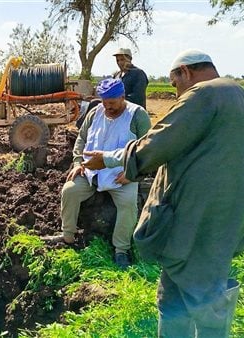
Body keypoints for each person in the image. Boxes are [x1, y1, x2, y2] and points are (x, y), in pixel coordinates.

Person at [82, 49, 244, 337]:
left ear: (186, 72)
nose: (176, 91)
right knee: (179, 288)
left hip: (195, 215)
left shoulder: (203, 95)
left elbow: (158, 143)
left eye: (174, 83)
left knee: (201, 297)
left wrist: (107, 159)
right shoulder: (237, 94)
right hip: (228, 215)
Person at [46, 78, 151, 269]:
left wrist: (133, 174)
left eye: (112, 103)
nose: (107, 107)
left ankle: (121, 250)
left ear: (122, 97)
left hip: (122, 176)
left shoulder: (137, 115)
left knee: (128, 204)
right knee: (69, 190)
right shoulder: (95, 113)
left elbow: (147, 151)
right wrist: (78, 163)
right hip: (91, 173)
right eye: (104, 102)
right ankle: (67, 236)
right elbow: (81, 139)